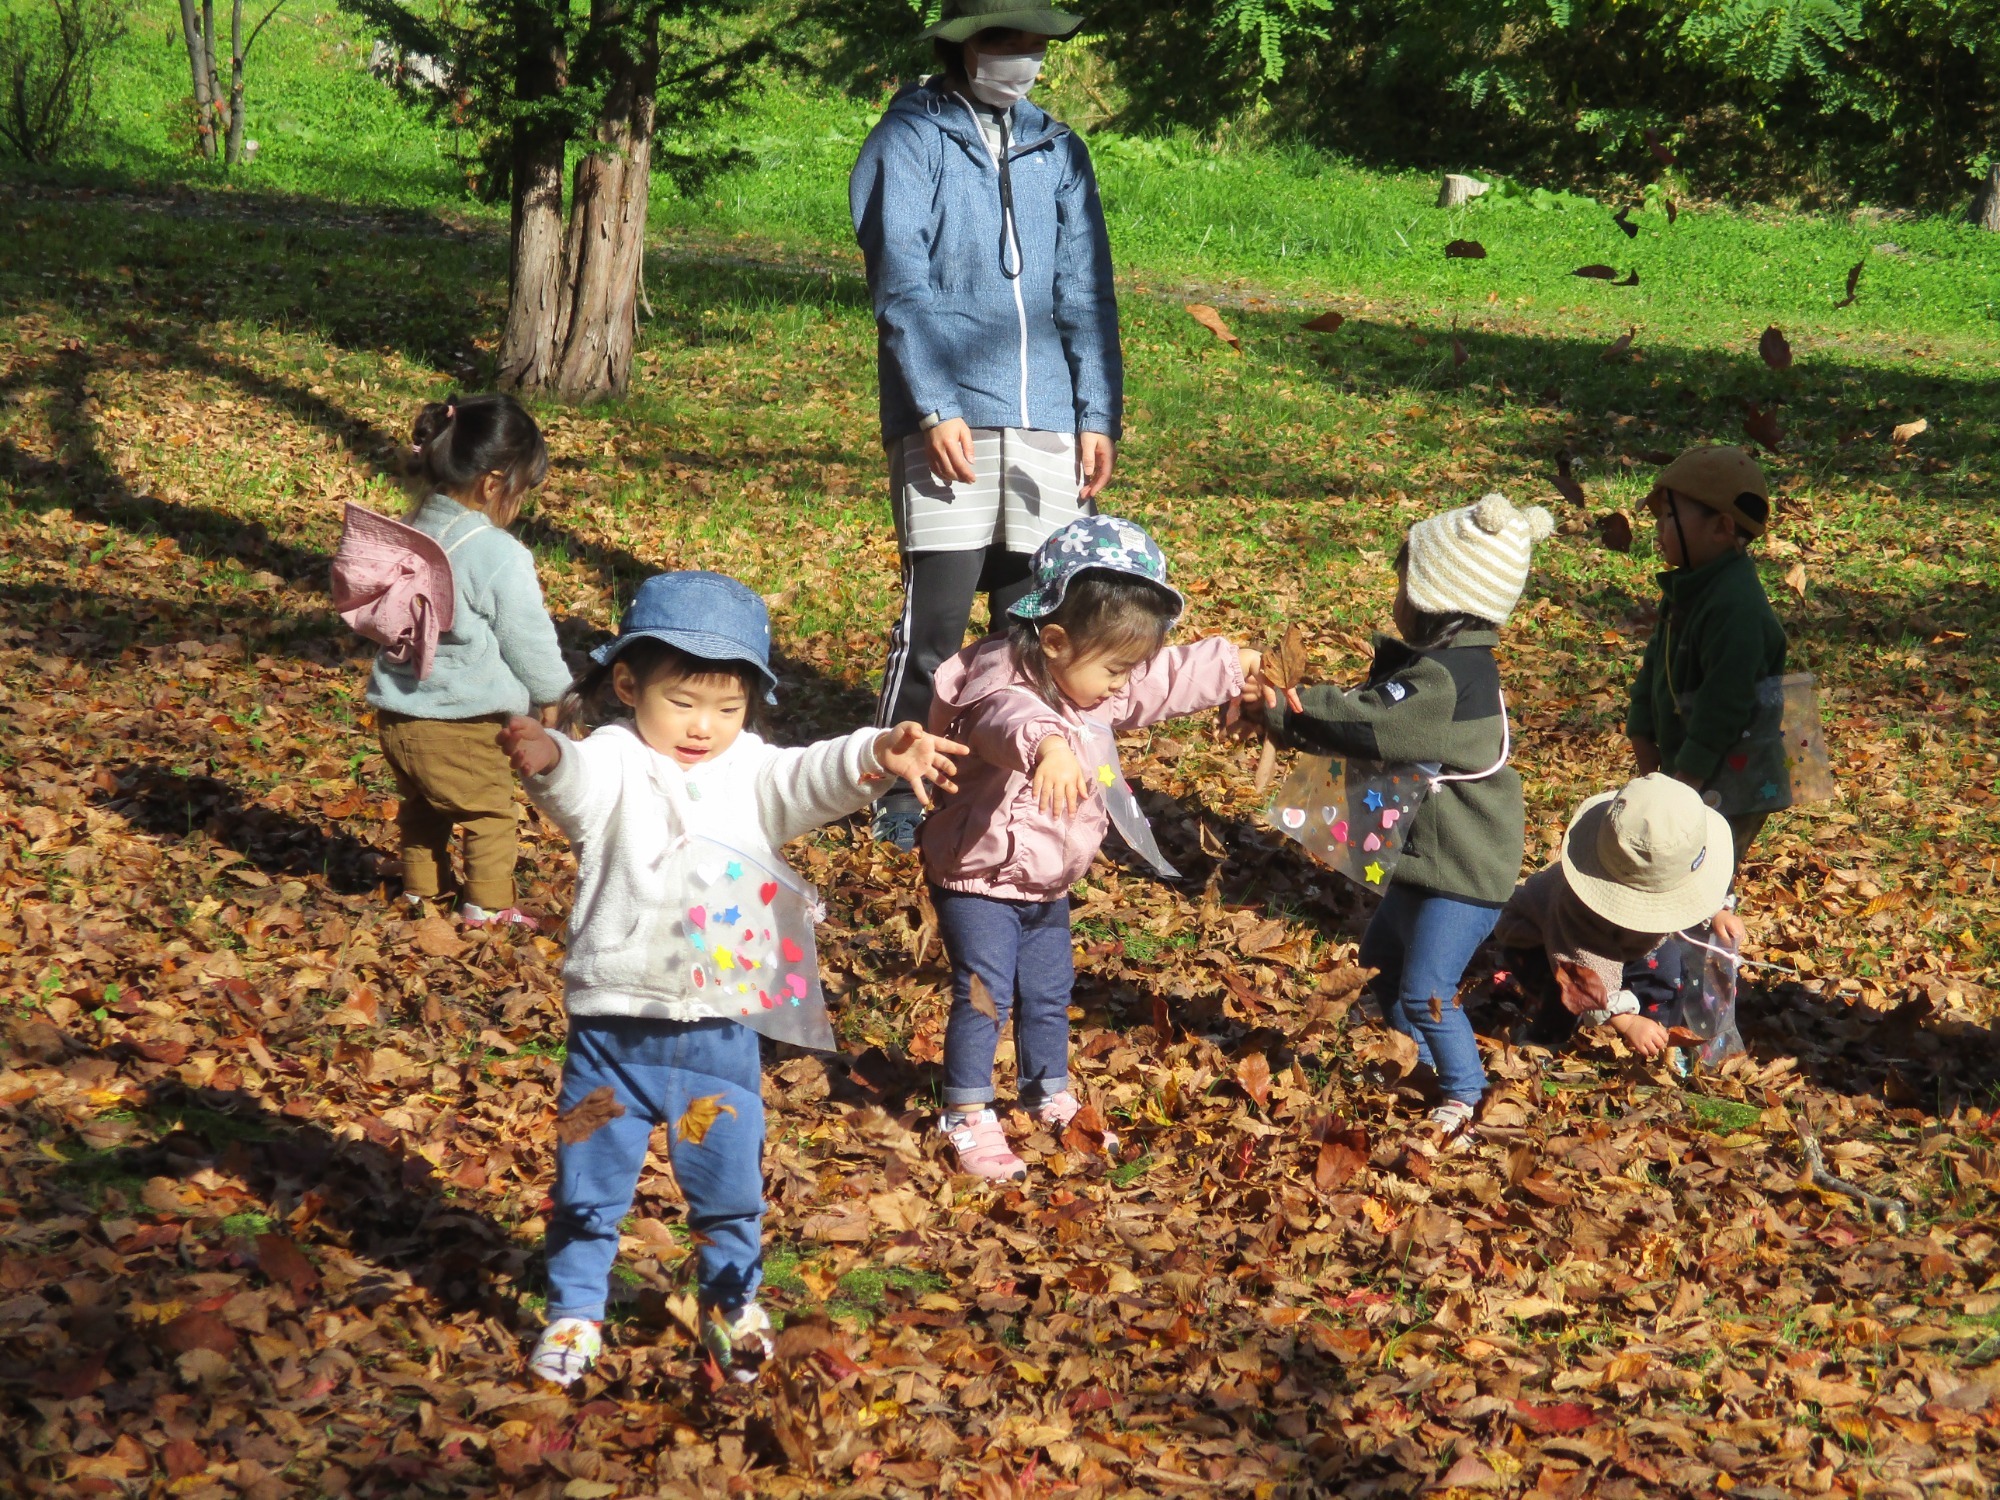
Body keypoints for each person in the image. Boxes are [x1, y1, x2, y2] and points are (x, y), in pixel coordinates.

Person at [496, 572, 965, 1386]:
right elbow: (575, 782)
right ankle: (573, 1311)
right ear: (629, 684)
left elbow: (810, 775)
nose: (703, 727)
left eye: (727, 707)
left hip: (717, 1041)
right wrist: (546, 759)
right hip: (611, 1037)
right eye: (683, 702)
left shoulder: (751, 773)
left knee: (727, 1189)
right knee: (586, 1183)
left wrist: (877, 753)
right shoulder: (612, 760)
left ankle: (731, 1302)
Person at [850, 0, 1122, 850]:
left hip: (1046, 425)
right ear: (966, 45)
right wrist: (934, 405)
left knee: (1027, 623)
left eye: (1038, 44)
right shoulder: (911, 139)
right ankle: (898, 785)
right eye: (1011, 41)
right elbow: (902, 286)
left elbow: (1085, 291)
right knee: (934, 625)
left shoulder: (1059, 149)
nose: (1029, 58)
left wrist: (1094, 411)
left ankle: (1000, 784)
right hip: (949, 420)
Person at [921, 516, 1260, 1181]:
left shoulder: (1089, 679)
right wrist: (1047, 747)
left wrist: (1235, 665)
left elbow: (1163, 680)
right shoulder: (1001, 680)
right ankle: (965, 1109)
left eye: (1126, 668)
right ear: (1053, 641)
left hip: (1045, 879)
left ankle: (1046, 1091)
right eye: (1113, 668)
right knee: (985, 993)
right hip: (977, 874)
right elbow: (1005, 721)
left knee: (1048, 991)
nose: (1120, 684)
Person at [1257, 494, 1552, 1139]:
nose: (1396, 598)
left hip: (1464, 876)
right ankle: (1410, 1057)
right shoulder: (1451, 667)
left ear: (1435, 597)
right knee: (1382, 961)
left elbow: (1369, 723)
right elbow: (1374, 704)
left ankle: (1465, 1091)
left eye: (1403, 585)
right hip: (1430, 860)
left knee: (1427, 988)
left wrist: (1285, 711)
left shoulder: (1444, 681)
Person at [364, 395, 571, 930]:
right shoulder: (495, 552)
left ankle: (423, 894)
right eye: (520, 491)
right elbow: (526, 636)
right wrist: (554, 694)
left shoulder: (409, 529)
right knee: (488, 813)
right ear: (491, 483)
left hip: (395, 714)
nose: (520, 504)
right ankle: (488, 909)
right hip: (460, 720)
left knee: (423, 810)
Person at [1493, 774, 1748, 1059]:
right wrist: (1626, 1021)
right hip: (1542, 943)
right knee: (1562, 995)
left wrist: (1717, 912)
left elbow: (1689, 877)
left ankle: (1660, 1037)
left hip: (1632, 938)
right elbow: (1582, 971)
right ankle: (1544, 1038)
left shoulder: (1679, 847)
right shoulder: (1577, 907)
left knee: (1667, 968)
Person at [1627, 445, 1787, 867]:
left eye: (1668, 517)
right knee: (1666, 865)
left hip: (1728, 778)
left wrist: (1686, 783)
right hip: (1688, 770)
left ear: (1720, 527)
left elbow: (1726, 703)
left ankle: (1705, 926)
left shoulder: (1737, 608)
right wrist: (1641, 732)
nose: (1659, 529)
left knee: (1702, 872)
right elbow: (1655, 663)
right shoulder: (1690, 586)